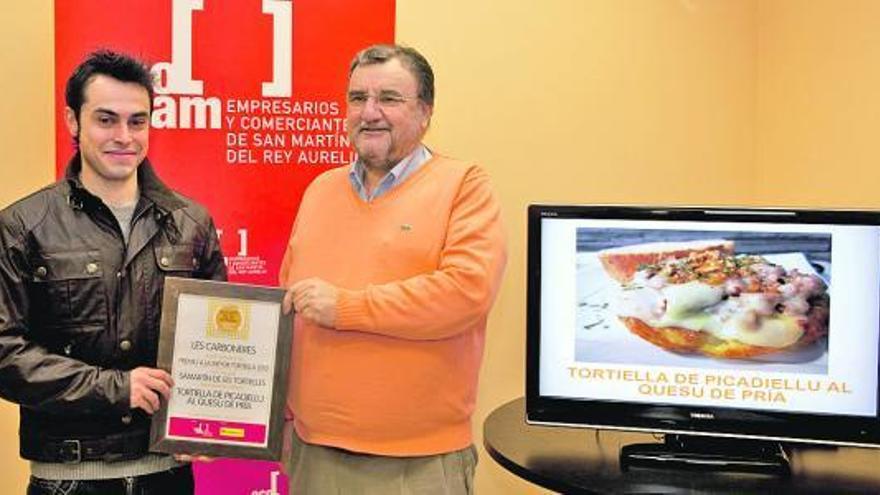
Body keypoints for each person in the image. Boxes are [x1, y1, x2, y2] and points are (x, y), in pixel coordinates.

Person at [279, 44, 507, 494]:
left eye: (389, 98)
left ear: (425, 112)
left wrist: (346, 307)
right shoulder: (320, 190)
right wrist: (277, 417)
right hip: (314, 455)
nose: (370, 112)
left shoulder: (464, 185)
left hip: (417, 465)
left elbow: (465, 293)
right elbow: (290, 307)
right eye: (357, 98)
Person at [0, 50, 226, 494]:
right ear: (72, 122)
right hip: (69, 480)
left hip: (169, 476)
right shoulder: (23, 227)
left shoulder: (191, 223)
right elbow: (4, 354)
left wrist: (213, 421)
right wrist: (115, 388)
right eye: (106, 120)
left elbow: (216, 345)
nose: (124, 136)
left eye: (137, 121)